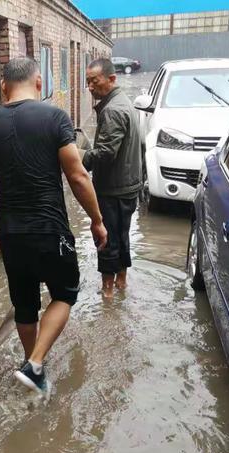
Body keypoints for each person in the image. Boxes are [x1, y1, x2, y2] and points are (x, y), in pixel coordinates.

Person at [0, 57, 107, 396]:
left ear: (3, 86)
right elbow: (77, 175)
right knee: (64, 294)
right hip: (50, 229)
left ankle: (34, 366)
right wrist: (97, 220)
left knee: (25, 304)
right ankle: (34, 364)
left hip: (10, 233)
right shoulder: (55, 118)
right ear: (38, 82)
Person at [83, 58, 143, 299]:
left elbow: (106, 154)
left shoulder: (112, 110)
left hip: (113, 189)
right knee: (122, 234)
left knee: (106, 236)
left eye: (94, 81)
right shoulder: (123, 103)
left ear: (111, 78)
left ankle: (107, 292)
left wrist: (79, 156)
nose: (89, 87)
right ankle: (121, 282)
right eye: (87, 82)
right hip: (128, 186)